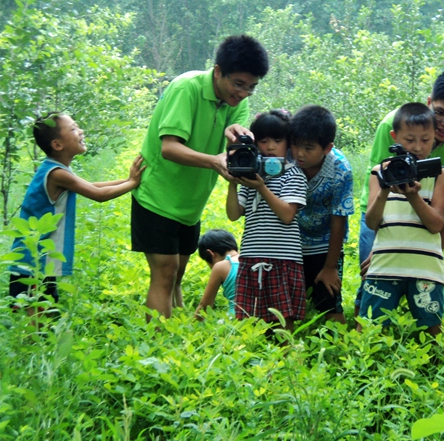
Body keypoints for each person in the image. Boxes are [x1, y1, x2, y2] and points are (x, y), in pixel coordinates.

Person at [132, 34, 269, 318]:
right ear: (218, 72)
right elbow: (169, 148)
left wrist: (236, 142)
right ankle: (154, 347)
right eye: (238, 84)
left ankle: (175, 339)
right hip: (157, 197)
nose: (243, 93)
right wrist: (214, 161)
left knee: (177, 275)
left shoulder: (236, 101)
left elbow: (234, 144)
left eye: (251, 88)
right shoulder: (187, 88)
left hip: (190, 204)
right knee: (165, 274)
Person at [9, 113, 144, 303]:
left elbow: (92, 186)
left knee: (45, 312)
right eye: (73, 129)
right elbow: (98, 195)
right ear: (57, 145)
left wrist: (130, 181)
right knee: (35, 317)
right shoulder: (57, 173)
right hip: (33, 261)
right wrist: (132, 183)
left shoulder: (56, 169)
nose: (81, 131)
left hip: (38, 259)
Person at [358, 71, 444, 263]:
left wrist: (439, 245)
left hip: (426, 215)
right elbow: (378, 180)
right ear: (429, 102)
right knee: (371, 278)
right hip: (382, 211)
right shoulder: (394, 125)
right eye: (440, 113)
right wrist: (382, 248)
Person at [358, 103, 444, 336]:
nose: (417, 147)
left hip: (425, 269)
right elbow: (372, 222)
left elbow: (436, 224)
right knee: (367, 330)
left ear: (435, 139)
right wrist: (384, 189)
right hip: (384, 267)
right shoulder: (379, 173)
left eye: (425, 140)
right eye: (409, 140)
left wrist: (413, 195)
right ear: (394, 137)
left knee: (432, 332)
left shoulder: (439, 174)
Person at [226, 110, 307, 331]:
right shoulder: (249, 173)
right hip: (251, 255)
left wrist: (261, 186)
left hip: (283, 258)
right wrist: (233, 181)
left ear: (288, 143)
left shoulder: (293, 174)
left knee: (283, 319)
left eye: (277, 140)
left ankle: (288, 359)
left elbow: (288, 215)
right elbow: (234, 214)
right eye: (263, 141)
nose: (270, 146)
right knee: (250, 317)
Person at [289, 105, 354, 324]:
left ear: (327, 148)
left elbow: (339, 218)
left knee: (329, 303)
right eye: (296, 144)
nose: (299, 153)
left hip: (325, 243)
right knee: (288, 305)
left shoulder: (340, 169)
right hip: (290, 241)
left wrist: (329, 267)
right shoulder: (283, 159)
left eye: (308, 148)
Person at [194, 229, 239, 319]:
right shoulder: (250, 259)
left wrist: (191, 328)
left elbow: (204, 306)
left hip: (237, 321)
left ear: (210, 254)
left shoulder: (220, 267)